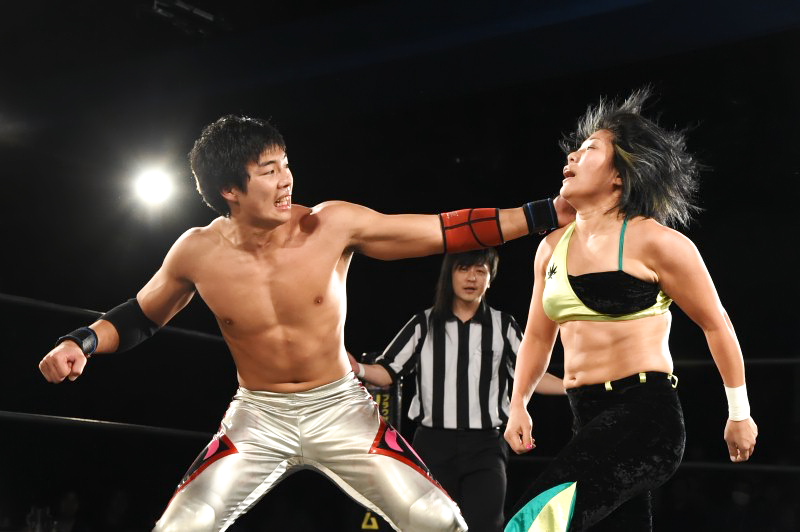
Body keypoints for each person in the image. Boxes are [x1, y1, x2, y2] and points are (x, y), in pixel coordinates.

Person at [38, 114, 574, 532]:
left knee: (437, 520)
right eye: (269, 170)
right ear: (230, 189)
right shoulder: (196, 251)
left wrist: (545, 213)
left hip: (340, 408)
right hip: (258, 417)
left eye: (286, 164)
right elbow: (140, 315)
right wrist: (81, 342)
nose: (287, 179)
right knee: (183, 525)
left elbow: (442, 231)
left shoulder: (330, 225)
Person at [503, 88, 759, 532]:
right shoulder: (550, 248)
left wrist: (739, 412)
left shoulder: (655, 241)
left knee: (535, 521)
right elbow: (539, 337)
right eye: (575, 150)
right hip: (586, 417)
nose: (572, 156)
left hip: (645, 418)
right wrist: (518, 405)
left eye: (590, 149)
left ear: (619, 176)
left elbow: (716, 324)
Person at [352, 248, 565, 532]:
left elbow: (534, 377)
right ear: (449, 274)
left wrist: (574, 384)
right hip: (433, 445)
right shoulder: (424, 324)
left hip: (486, 446)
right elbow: (387, 372)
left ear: (490, 279)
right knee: (428, 526)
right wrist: (357, 368)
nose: (471, 278)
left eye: (480, 271)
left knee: (486, 524)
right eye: (464, 269)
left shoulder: (503, 326)